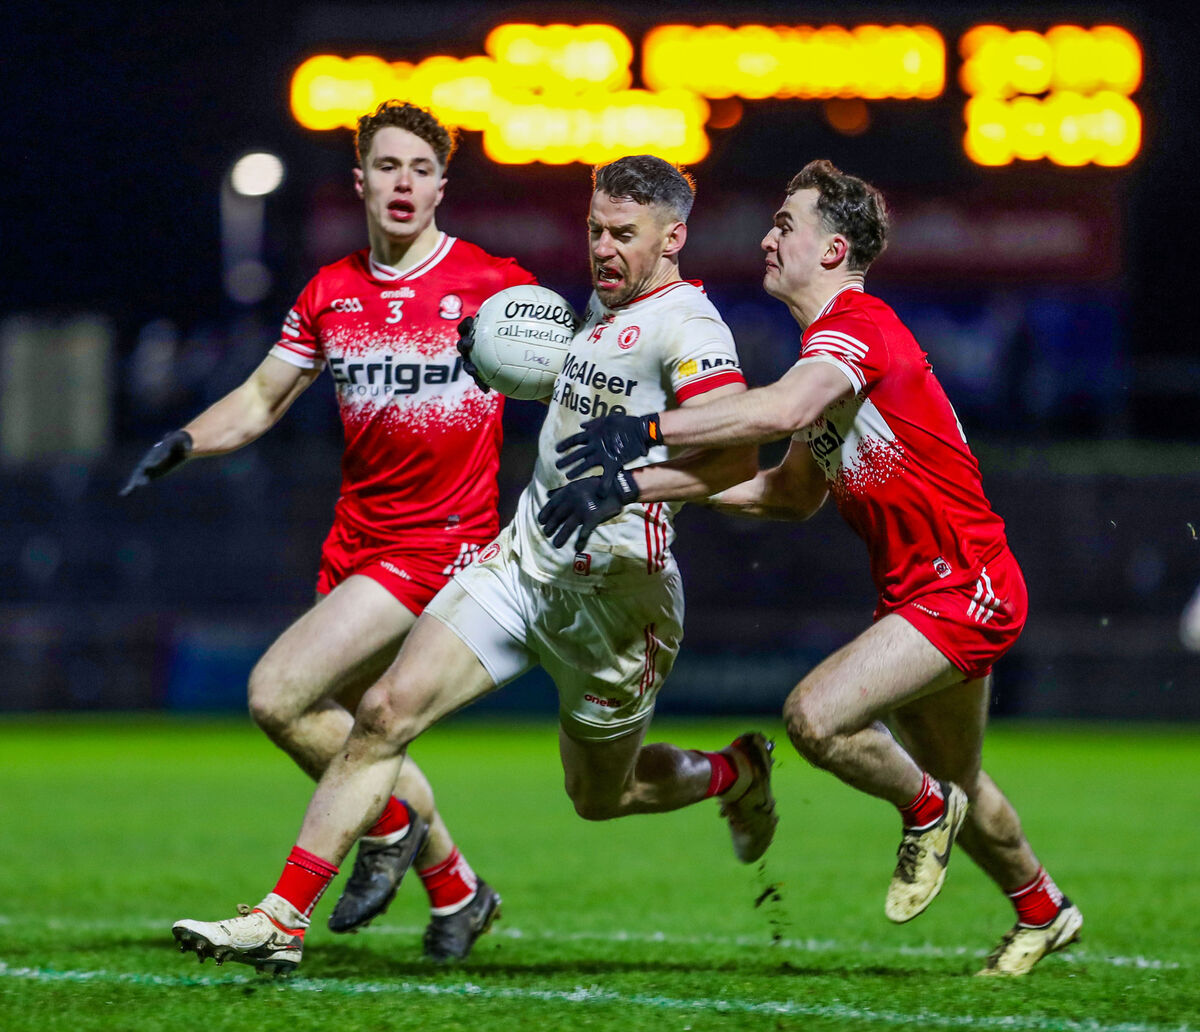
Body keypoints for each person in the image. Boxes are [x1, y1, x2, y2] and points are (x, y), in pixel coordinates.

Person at [169, 154, 777, 976]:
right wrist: (495, 354)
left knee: (602, 797)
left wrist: (624, 487)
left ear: (674, 238)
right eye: (595, 228)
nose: (602, 247)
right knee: (385, 711)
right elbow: (581, 390)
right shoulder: (601, 302)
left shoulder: (691, 328)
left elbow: (736, 457)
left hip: (618, 602)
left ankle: (733, 773)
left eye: (623, 235)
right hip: (521, 566)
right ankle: (281, 918)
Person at [545, 159, 1082, 977]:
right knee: (955, 776)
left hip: (963, 588)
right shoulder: (829, 353)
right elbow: (790, 494)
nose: (767, 237)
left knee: (816, 719)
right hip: (927, 593)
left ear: (833, 250)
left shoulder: (854, 327)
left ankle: (927, 813)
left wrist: (643, 435)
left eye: (785, 225)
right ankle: (1044, 910)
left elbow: (779, 409)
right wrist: (636, 492)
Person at [123, 100, 537, 961]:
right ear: (360, 180)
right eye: (388, 167)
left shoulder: (497, 288)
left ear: (441, 187)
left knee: (278, 693)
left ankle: (337, 872)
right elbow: (263, 398)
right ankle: (458, 889)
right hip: (357, 545)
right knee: (359, 733)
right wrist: (186, 441)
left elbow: (566, 377)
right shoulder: (331, 292)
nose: (404, 184)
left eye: (421, 170)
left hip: (442, 546)